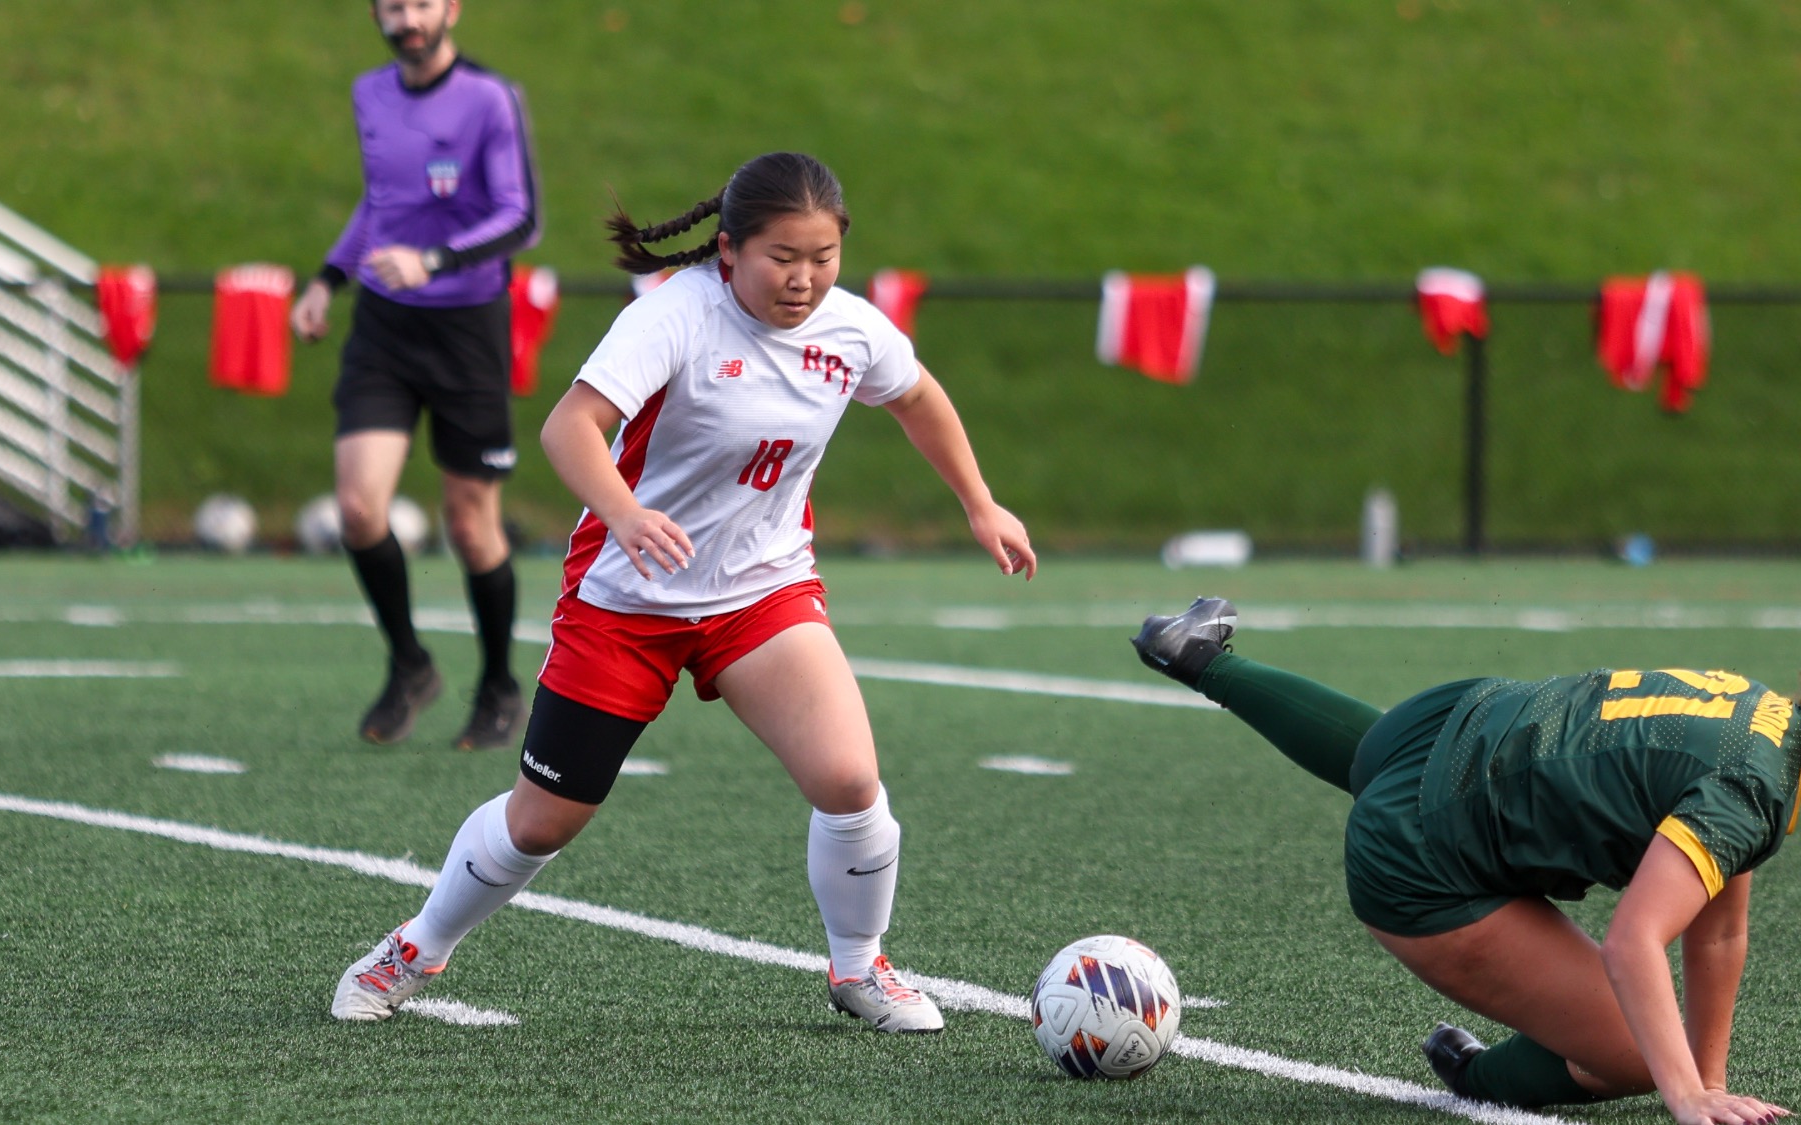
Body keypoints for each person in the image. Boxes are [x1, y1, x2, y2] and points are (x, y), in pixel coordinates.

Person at [331, 151, 1037, 1033]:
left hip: (760, 593)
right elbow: (570, 426)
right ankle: (420, 943)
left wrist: (980, 502)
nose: (805, 278)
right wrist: (624, 513)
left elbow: (917, 396)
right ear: (730, 249)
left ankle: (861, 968)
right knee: (542, 822)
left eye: (823, 256)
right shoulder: (676, 316)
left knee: (850, 779)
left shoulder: (853, 330)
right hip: (627, 603)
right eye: (784, 256)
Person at [1133, 596, 1797, 1125]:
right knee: (1635, 1055)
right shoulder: (1752, 791)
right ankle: (1472, 1072)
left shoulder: (1765, 716)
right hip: (1417, 857)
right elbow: (1633, 942)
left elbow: (1719, 928)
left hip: (1447, 718)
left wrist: (1711, 1084)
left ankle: (1199, 658)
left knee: (1396, 762)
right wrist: (1683, 1093)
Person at [290, 0, 537, 750]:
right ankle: (410, 664)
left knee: (470, 524)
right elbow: (382, 203)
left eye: (421, 3)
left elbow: (518, 215)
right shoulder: (371, 93)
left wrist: (433, 260)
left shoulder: (491, 100)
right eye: (392, 6)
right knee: (359, 509)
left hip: (466, 329)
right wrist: (327, 279)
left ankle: (498, 684)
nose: (407, 17)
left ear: (451, 8)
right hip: (385, 328)